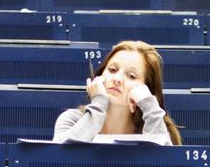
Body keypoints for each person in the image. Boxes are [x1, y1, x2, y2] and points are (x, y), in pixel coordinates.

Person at [53, 40, 182, 146]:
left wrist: (149, 106)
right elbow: (60, 158)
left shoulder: (156, 126)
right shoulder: (72, 120)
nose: (117, 79)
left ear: (146, 89)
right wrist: (98, 105)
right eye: (112, 70)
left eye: (131, 76)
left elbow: (165, 166)